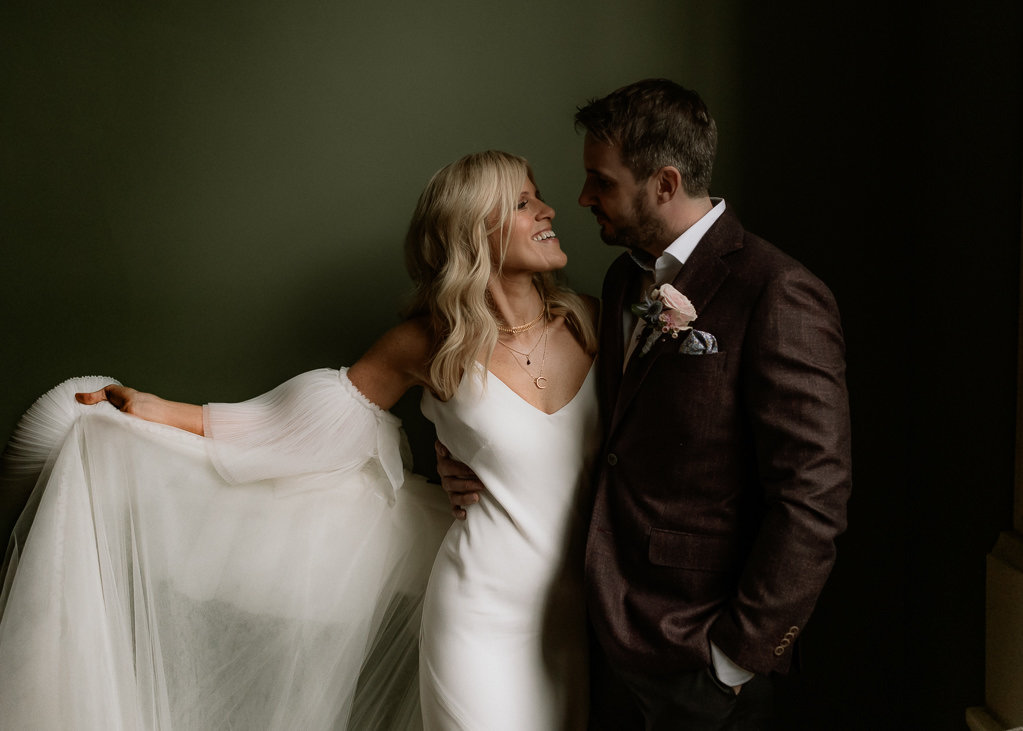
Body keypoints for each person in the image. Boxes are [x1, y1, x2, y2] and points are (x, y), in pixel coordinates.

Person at [0, 150, 599, 730]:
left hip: (583, 615)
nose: (548, 210)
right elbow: (299, 431)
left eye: (538, 196)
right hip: (479, 613)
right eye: (524, 202)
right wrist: (160, 410)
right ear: (475, 230)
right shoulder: (427, 343)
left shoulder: (595, 323)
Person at [439, 79, 853, 729]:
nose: (580, 199)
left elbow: (814, 497)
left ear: (662, 184)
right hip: (600, 633)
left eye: (599, 182)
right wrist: (459, 450)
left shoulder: (776, 291)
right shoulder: (621, 277)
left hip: (701, 659)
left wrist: (735, 659)